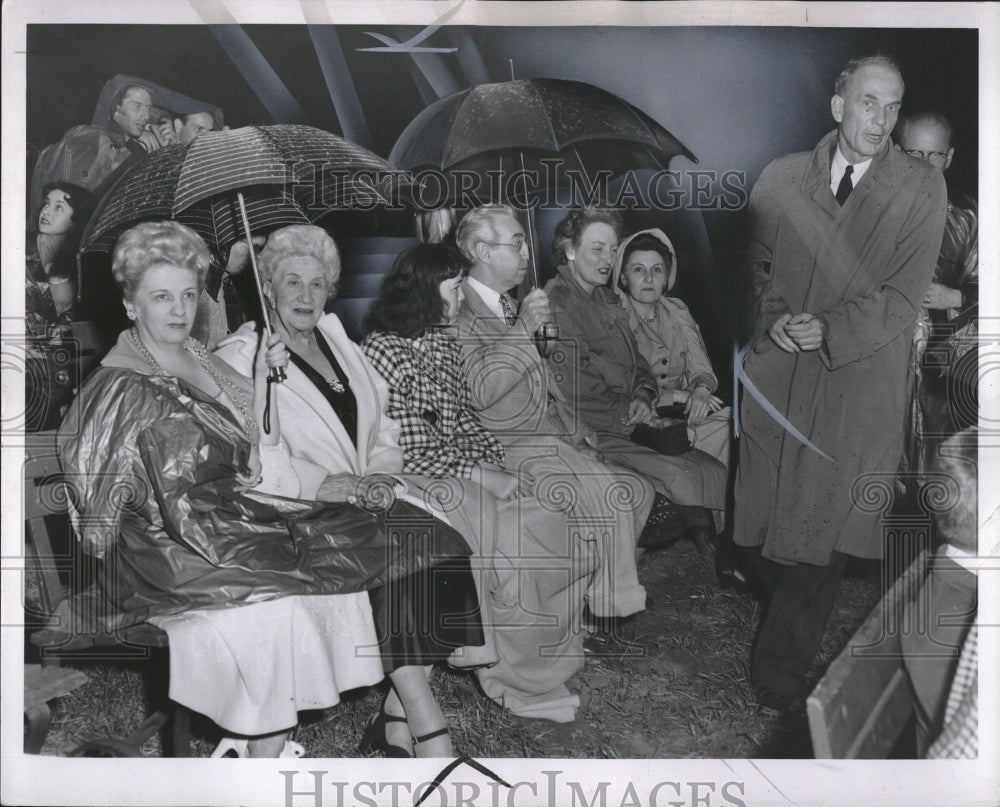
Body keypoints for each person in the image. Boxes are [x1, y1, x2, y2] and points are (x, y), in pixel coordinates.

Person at [58, 220, 475, 757]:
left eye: (188, 295)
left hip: (227, 518)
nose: (179, 311)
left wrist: (262, 390)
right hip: (163, 546)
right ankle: (258, 751)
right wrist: (261, 508)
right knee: (301, 579)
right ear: (132, 305)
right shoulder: (119, 383)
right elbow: (103, 514)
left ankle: (265, 751)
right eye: (161, 297)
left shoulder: (204, 359)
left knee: (400, 532)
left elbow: (259, 458)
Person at [215, 225, 485, 753]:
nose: (305, 295)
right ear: (267, 287)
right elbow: (250, 459)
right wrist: (330, 486)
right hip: (295, 510)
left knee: (442, 542)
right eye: (291, 282)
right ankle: (424, 723)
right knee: (396, 548)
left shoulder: (339, 340)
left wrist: (380, 472)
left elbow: (383, 424)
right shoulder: (240, 357)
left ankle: (394, 716)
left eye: (317, 284)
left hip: (370, 493)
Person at [735, 55, 948, 712]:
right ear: (838, 105)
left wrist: (827, 328)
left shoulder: (919, 189)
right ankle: (784, 627)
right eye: (867, 103)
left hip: (859, 375)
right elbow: (753, 267)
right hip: (781, 373)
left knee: (826, 528)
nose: (879, 121)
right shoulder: (780, 177)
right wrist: (773, 319)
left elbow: (901, 295)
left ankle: (779, 666)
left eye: (891, 107)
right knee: (763, 530)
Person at [359, 240, 627, 722]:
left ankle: (544, 664)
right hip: (414, 481)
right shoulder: (383, 350)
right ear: (424, 290)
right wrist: (485, 476)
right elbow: (410, 450)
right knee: (510, 546)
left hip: (463, 471)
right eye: (455, 286)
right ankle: (510, 679)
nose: (461, 296)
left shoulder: (440, 343)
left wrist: (499, 467)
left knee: (554, 521)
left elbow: (466, 423)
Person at [450, 205, 656, 614]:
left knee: (638, 492)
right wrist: (525, 331)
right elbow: (480, 392)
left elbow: (548, 385)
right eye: (517, 242)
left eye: (523, 241)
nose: (527, 250)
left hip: (549, 435)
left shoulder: (512, 304)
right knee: (613, 495)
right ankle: (607, 601)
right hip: (504, 444)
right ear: (483, 252)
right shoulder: (459, 310)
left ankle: (585, 602)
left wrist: (579, 433)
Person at [544, 207, 728, 537]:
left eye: (613, 249)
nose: (607, 259)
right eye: (597, 248)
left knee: (709, 468)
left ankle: (719, 544)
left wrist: (644, 395)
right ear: (570, 250)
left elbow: (639, 366)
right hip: (595, 429)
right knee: (686, 474)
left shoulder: (605, 300)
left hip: (628, 418)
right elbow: (576, 391)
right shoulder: (558, 306)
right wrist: (638, 414)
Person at [894, 113, 978, 482]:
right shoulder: (865, 213)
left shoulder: (971, 217)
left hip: (941, 373)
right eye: (914, 153)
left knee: (937, 473)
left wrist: (956, 296)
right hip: (878, 368)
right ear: (896, 152)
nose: (925, 164)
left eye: (935, 154)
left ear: (950, 157)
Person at [611, 228, 732, 468]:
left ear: (666, 278)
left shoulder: (677, 311)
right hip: (637, 425)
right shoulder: (613, 317)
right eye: (638, 270)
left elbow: (702, 368)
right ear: (623, 277)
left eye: (657, 270)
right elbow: (618, 393)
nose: (649, 279)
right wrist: (676, 395)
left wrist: (701, 390)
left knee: (732, 424)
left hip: (680, 419)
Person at [29, 80, 153, 218]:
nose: (146, 116)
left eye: (148, 108)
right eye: (137, 106)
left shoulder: (138, 153)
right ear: (116, 108)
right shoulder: (87, 137)